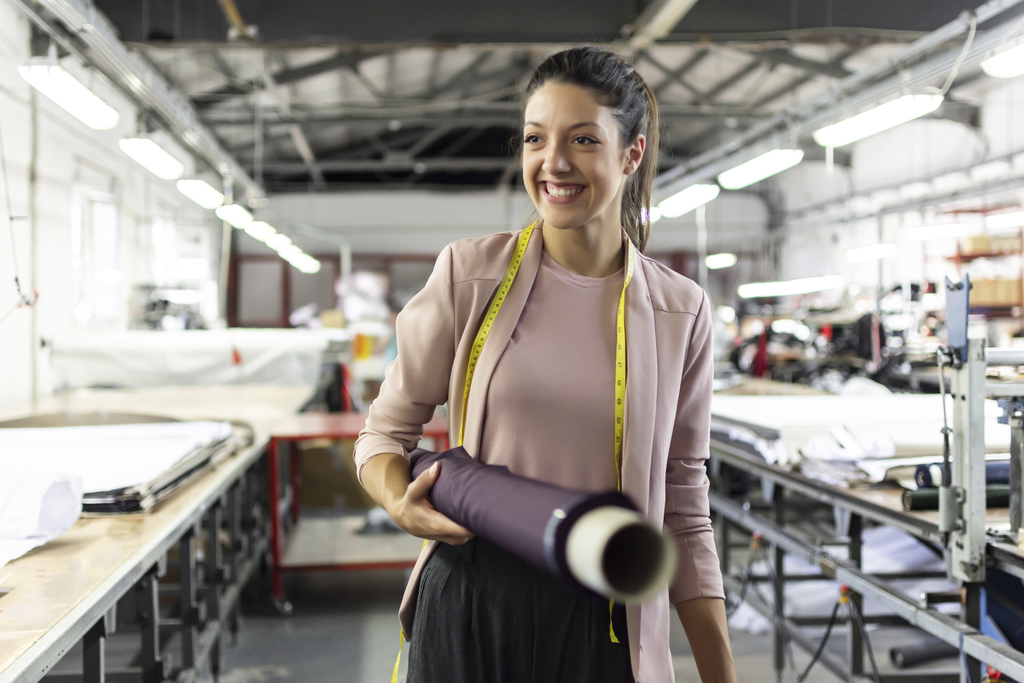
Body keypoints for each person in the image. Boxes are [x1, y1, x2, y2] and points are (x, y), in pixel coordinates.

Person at [354, 46, 736, 683]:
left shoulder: (679, 310)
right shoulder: (470, 275)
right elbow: (382, 435)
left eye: (583, 139)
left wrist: (719, 673)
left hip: (606, 623)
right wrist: (400, 502)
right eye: (536, 138)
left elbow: (683, 506)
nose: (553, 163)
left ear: (631, 153)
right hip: (474, 604)